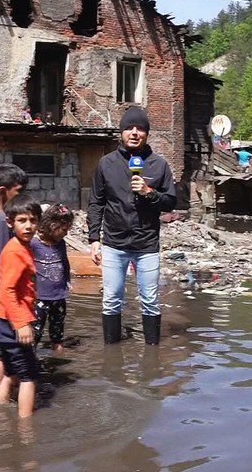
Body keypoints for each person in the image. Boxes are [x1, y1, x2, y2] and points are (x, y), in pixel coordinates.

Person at [87, 106, 176, 345]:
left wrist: (149, 193)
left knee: (149, 299)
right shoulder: (106, 164)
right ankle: (111, 355)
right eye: (129, 128)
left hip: (146, 244)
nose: (134, 133)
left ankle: (152, 353)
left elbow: (171, 202)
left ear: (147, 133)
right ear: (121, 132)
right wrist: (94, 239)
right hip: (114, 244)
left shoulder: (159, 165)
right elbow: (96, 202)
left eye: (140, 128)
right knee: (112, 298)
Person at [0, 194, 42, 418]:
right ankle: (25, 429)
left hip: (4, 320)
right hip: (12, 322)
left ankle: (0, 414)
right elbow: (7, 291)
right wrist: (21, 323)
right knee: (29, 376)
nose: (28, 226)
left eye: (32, 220)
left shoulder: (21, 246)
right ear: (10, 223)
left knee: (11, 372)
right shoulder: (15, 251)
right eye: (22, 220)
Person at [0, 164, 28, 395]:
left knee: (6, 350)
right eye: (18, 192)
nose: (23, 197)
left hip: (2, 296)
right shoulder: (0, 223)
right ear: (3, 192)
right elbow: (1, 270)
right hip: (3, 298)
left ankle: (4, 395)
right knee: (1, 352)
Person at [31, 204, 74, 352]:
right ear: (51, 225)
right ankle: (31, 362)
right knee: (34, 333)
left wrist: (67, 281)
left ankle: (58, 355)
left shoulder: (60, 244)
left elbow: (65, 263)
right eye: (64, 230)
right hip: (39, 298)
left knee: (57, 333)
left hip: (59, 297)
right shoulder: (34, 244)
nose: (66, 234)